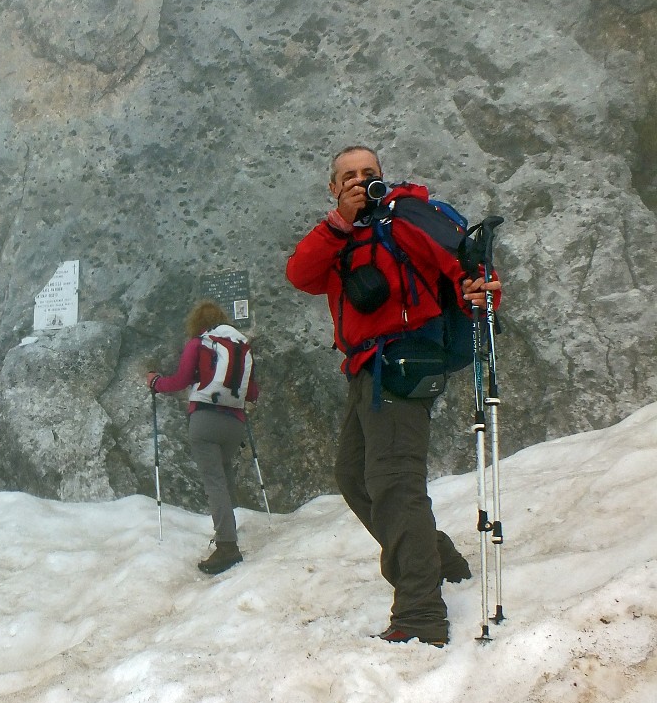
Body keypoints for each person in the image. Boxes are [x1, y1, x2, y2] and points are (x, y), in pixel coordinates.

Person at [285, 145, 501, 647]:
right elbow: (300, 275)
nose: (361, 182)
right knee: (354, 476)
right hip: (364, 371)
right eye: (349, 177)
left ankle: (421, 614)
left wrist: (482, 291)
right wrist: (341, 221)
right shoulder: (339, 236)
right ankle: (437, 556)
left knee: (394, 483)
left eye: (369, 173)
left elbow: (461, 268)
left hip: (404, 366)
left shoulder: (405, 219)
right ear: (333, 189)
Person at [145, 300, 259, 575]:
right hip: (234, 423)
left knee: (214, 482)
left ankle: (227, 546)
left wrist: (155, 382)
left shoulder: (198, 344)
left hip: (205, 421)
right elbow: (253, 392)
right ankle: (228, 532)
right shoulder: (241, 347)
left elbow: (180, 380)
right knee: (225, 475)